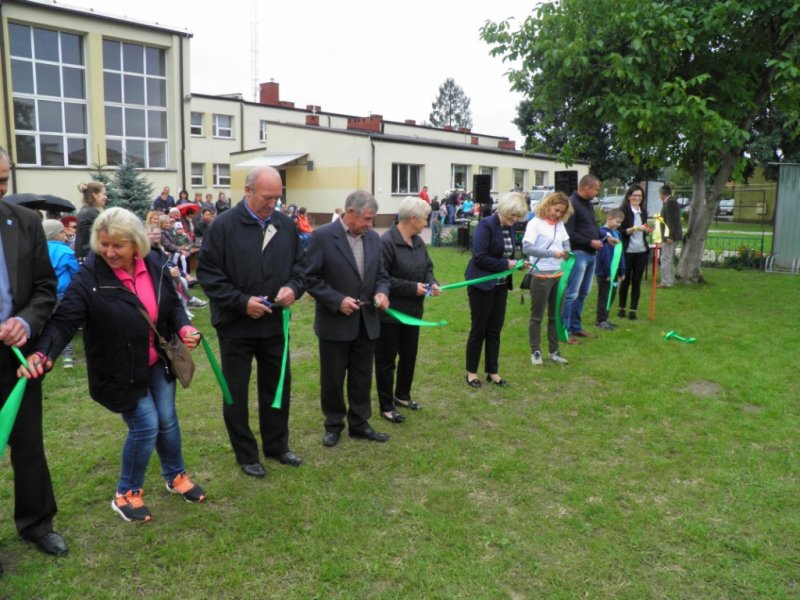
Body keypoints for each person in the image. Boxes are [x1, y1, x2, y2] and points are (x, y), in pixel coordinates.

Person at [20, 207, 206, 523]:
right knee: (146, 426)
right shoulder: (90, 277)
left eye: (117, 245)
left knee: (168, 420)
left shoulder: (155, 263)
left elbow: (172, 306)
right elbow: (64, 319)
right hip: (119, 368)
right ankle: (126, 493)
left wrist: (185, 328)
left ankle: (175, 475)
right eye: (103, 244)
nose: (109, 251)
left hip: (156, 361)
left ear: (135, 244)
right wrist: (43, 352)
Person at [197, 166, 306, 477]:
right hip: (236, 326)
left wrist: (293, 288)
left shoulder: (285, 225)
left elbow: (302, 267)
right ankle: (246, 454)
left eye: (277, 197)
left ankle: (277, 446)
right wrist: (242, 302)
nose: (272, 203)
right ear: (247, 191)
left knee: (277, 388)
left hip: (274, 324)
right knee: (236, 393)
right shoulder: (223, 227)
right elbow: (208, 276)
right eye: (266, 197)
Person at [0, 147, 67, 571]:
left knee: (27, 445)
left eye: (3, 179)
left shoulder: (24, 222)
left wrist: (26, 320)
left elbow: (45, 288)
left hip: (17, 356)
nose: (0, 189)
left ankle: (37, 524)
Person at [305, 190, 390, 447]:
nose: (370, 224)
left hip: (367, 321)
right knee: (333, 377)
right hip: (334, 323)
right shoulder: (322, 237)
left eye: (372, 219)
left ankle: (359, 423)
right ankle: (333, 424)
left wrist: (381, 292)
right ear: (350, 213)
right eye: (366, 218)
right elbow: (311, 279)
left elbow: (382, 275)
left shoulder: (374, 239)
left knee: (362, 375)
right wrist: (336, 300)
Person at [375, 198, 440, 423]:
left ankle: (402, 395)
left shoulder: (419, 242)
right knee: (386, 361)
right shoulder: (387, 243)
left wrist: (432, 282)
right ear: (412, 219)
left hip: (413, 314)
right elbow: (383, 279)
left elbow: (427, 268)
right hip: (391, 315)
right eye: (425, 219)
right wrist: (413, 288)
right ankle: (386, 405)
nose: (426, 223)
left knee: (409, 357)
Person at [464, 191, 528, 388]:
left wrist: (517, 263)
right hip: (481, 284)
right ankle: (471, 373)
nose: (515, 219)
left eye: (518, 216)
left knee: (495, 330)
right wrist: (506, 264)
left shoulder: (508, 226)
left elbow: (506, 254)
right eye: (512, 215)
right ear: (504, 210)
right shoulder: (486, 226)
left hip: (500, 285)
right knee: (479, 329)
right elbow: (480, 256)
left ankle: (493, 371)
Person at [522, 191, 573, 367]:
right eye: (556, 210)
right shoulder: (535, 223)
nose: (558, 214)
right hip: (541, 275)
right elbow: (527, 248)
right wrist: (552, 253)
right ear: (548, 205)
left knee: (556, 316)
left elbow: (566, 242)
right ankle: (535, 351)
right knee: (537, 317)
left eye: (562, 212)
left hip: (559, 275)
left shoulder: (560, 224)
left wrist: (567, 251)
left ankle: (554, 352)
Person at [562, 174, 612, 345]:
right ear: (586, 188)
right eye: (596, 189)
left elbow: (591, 228)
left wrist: (605, 238)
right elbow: (569, 233)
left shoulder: (588, 204)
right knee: (572, 294)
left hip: (591, 254)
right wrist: (590, 242)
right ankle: (566, 330)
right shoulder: (571, 204)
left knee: (583, 293)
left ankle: (576, 326)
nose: (597, 192)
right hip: (579, 254)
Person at [42, 220, 80, 368]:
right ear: (53, 234)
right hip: (61, 294)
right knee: (63, 325)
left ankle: (43, 355)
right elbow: (76, 272)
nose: (65, 235)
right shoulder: (66, 252)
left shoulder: (38, 250)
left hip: (43, 294)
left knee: (45, 326)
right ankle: (67, 358)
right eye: (62, 232)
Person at [618, 184, 652, 321]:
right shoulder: (623, 210)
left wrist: (647, 230)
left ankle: (633, 310)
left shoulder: (643, 212)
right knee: (625, 280)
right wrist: (636, 228)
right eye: (635, 195)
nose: (637, 198)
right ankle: (621, 308)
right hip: (627, 251)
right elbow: (619, 232)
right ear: (629, 197)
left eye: (640, 196)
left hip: (641, 251)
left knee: (637, 281)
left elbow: (642, 230)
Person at [594, 208, 626, 330]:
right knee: (604, 295)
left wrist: (622, 270)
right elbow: (604, 254)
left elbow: (620, 253)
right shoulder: (602, 233)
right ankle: (600, 320)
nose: (619, 225)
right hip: (605, 272)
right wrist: (609, 272)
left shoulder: (617, 234)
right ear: (609, 218)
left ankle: (606, 318)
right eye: (617, 222)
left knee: (612, 294)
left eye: (620, 223)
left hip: (615, 271)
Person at [74, 181, 107, 260]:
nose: (106, 197)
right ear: (95, 195)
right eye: (104, 194)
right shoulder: (92, 213)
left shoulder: (87, 210)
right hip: (90, 257)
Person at [658, 184, 682, 288]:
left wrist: (670, 236)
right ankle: (669, 280)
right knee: (668, 258)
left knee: (665, 258)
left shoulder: (670, 202)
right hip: (669, 235)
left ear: (662, 194)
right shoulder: (669, 202)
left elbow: (671, 221)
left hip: (670, 236)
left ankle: (667, 282)